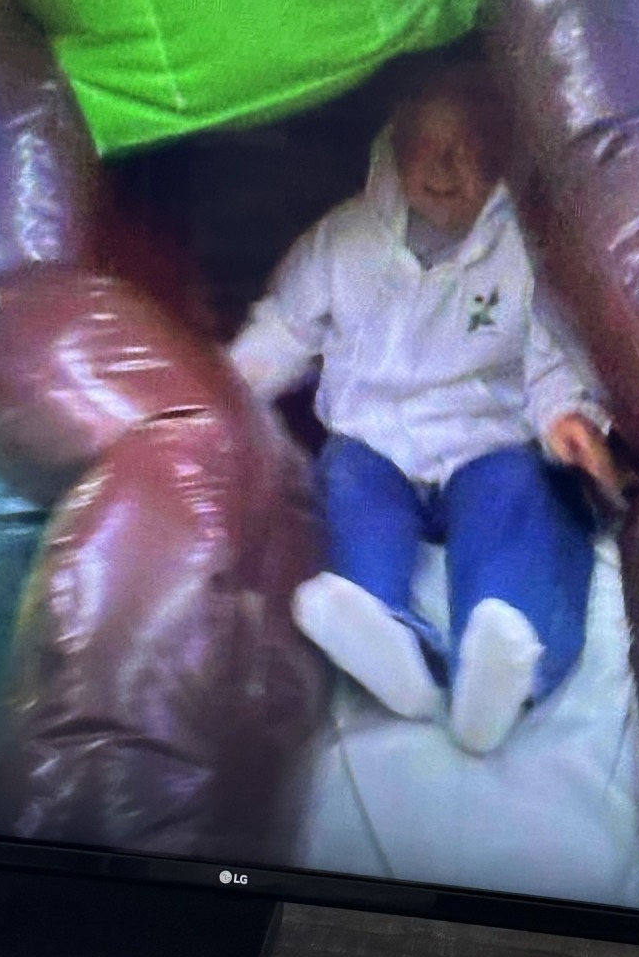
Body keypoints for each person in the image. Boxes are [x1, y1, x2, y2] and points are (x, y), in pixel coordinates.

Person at [229, 63, 619, 755]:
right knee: (349, 499)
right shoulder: (342, 240)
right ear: (392, 147)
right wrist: (225, 391)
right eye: (429, 149)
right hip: (373, 440)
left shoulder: (525, 251)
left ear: (503, 159)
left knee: (522, 504)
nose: (447, 168)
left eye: (472, 151)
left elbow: (550, 354)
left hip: (484, 439)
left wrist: (567, 416)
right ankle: (389, 644)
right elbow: (283, 331)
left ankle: (502, 665)